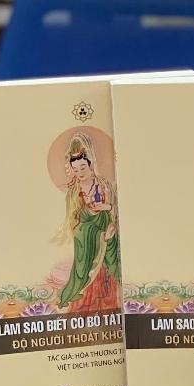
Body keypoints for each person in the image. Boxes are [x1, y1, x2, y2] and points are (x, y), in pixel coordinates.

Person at [54, 132, 120, 312]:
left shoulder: (105, 186)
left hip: (108, 238)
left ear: (91, 164)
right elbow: (75, 225)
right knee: (85, 288)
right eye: (75, 170)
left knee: (110, 279)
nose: (80, 173)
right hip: (87, 245)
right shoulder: (73, 193)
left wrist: (110, 223)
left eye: (83, 167)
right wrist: (98, 235)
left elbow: (114, 213)